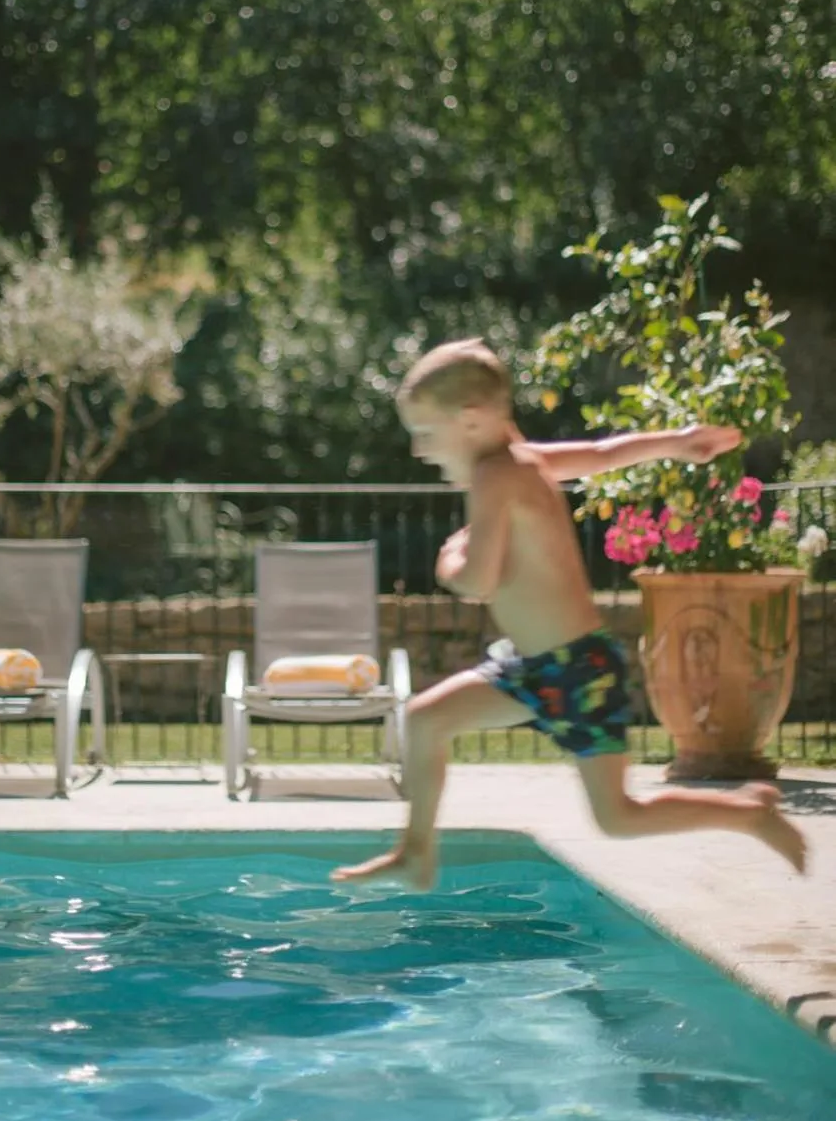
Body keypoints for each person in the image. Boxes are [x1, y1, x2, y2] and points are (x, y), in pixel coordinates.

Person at [332, 338, 807, 889]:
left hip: (578, 670)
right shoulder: (521, 462)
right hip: (532, 668)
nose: (420, 451)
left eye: (425, 434)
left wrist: (448, 560)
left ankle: (749, 812)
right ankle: (415, 853)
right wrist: (675, 443)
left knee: (618, 817)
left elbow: (479, 580)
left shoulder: (496, 476)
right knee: (426, 719)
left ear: (468, 421)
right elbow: (603, 456)